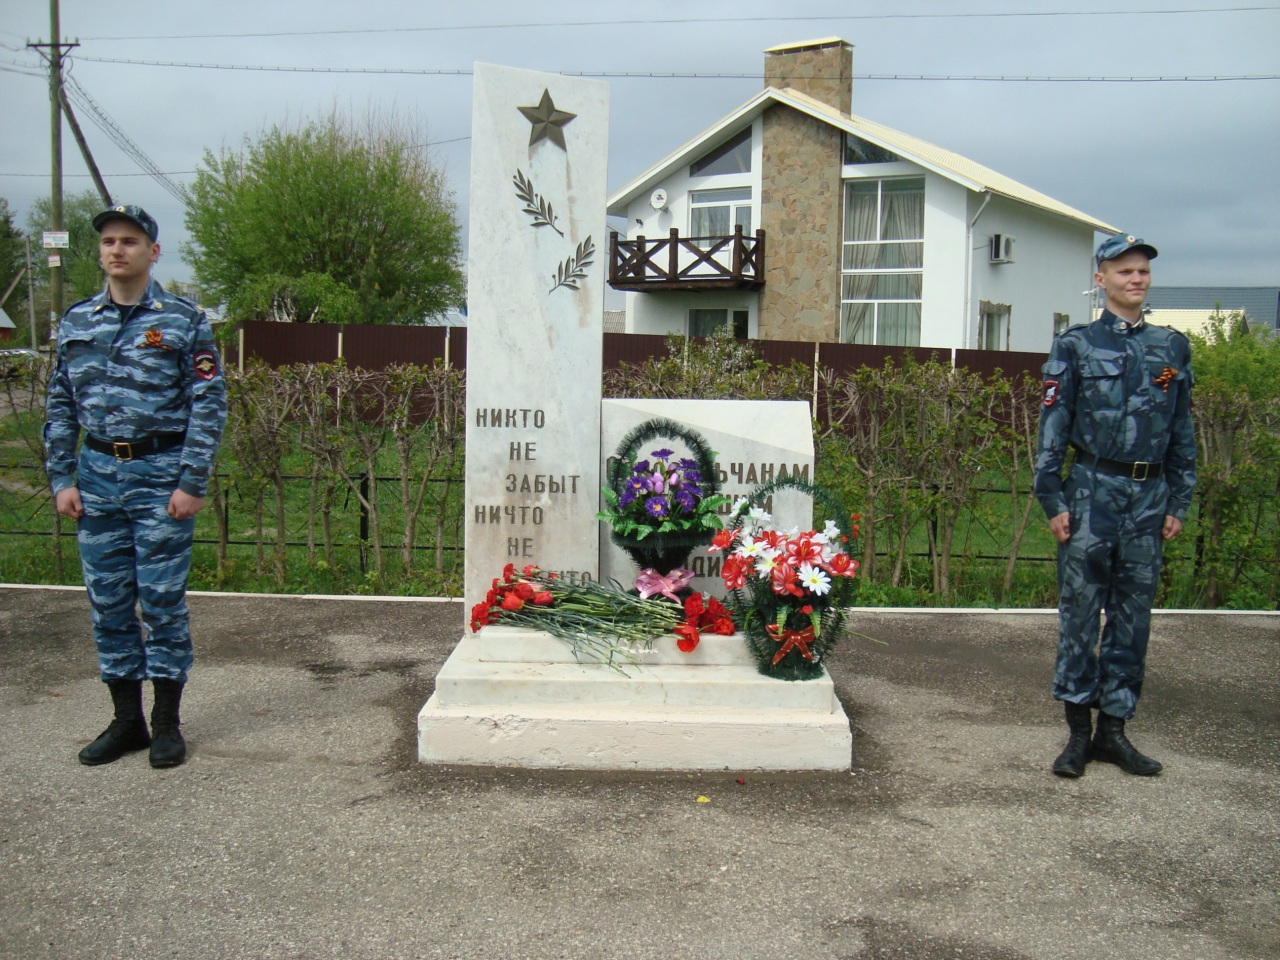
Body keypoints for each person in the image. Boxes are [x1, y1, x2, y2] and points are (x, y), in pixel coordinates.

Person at [45, 205, 227, 769]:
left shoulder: (182, 320)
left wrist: (192, 480)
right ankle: (127, 722)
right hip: (97, 480)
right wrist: (61, 477)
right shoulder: (77, 322)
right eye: (108, 241)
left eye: (129, 240)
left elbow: (209, 402)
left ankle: (167, 723)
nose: (116, 249)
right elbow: (59, 404)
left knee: (163, 602)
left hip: (160, 479)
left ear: (153, 251)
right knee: (109, 603)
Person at [1034, 233, 1196, 778]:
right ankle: (1078, 733)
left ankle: (1115, 733)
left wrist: (1180, 496)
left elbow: (1181, 427)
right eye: (1124, 271)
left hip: (1149, 500)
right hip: (1090, 492)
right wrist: (1051, 497)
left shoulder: (1171, 347)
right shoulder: (1075, 345)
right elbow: (1052, 428)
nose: (1136, 279)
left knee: (1133, 618)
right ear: (1101, 278)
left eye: (1143, 272)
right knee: (1080, 615)